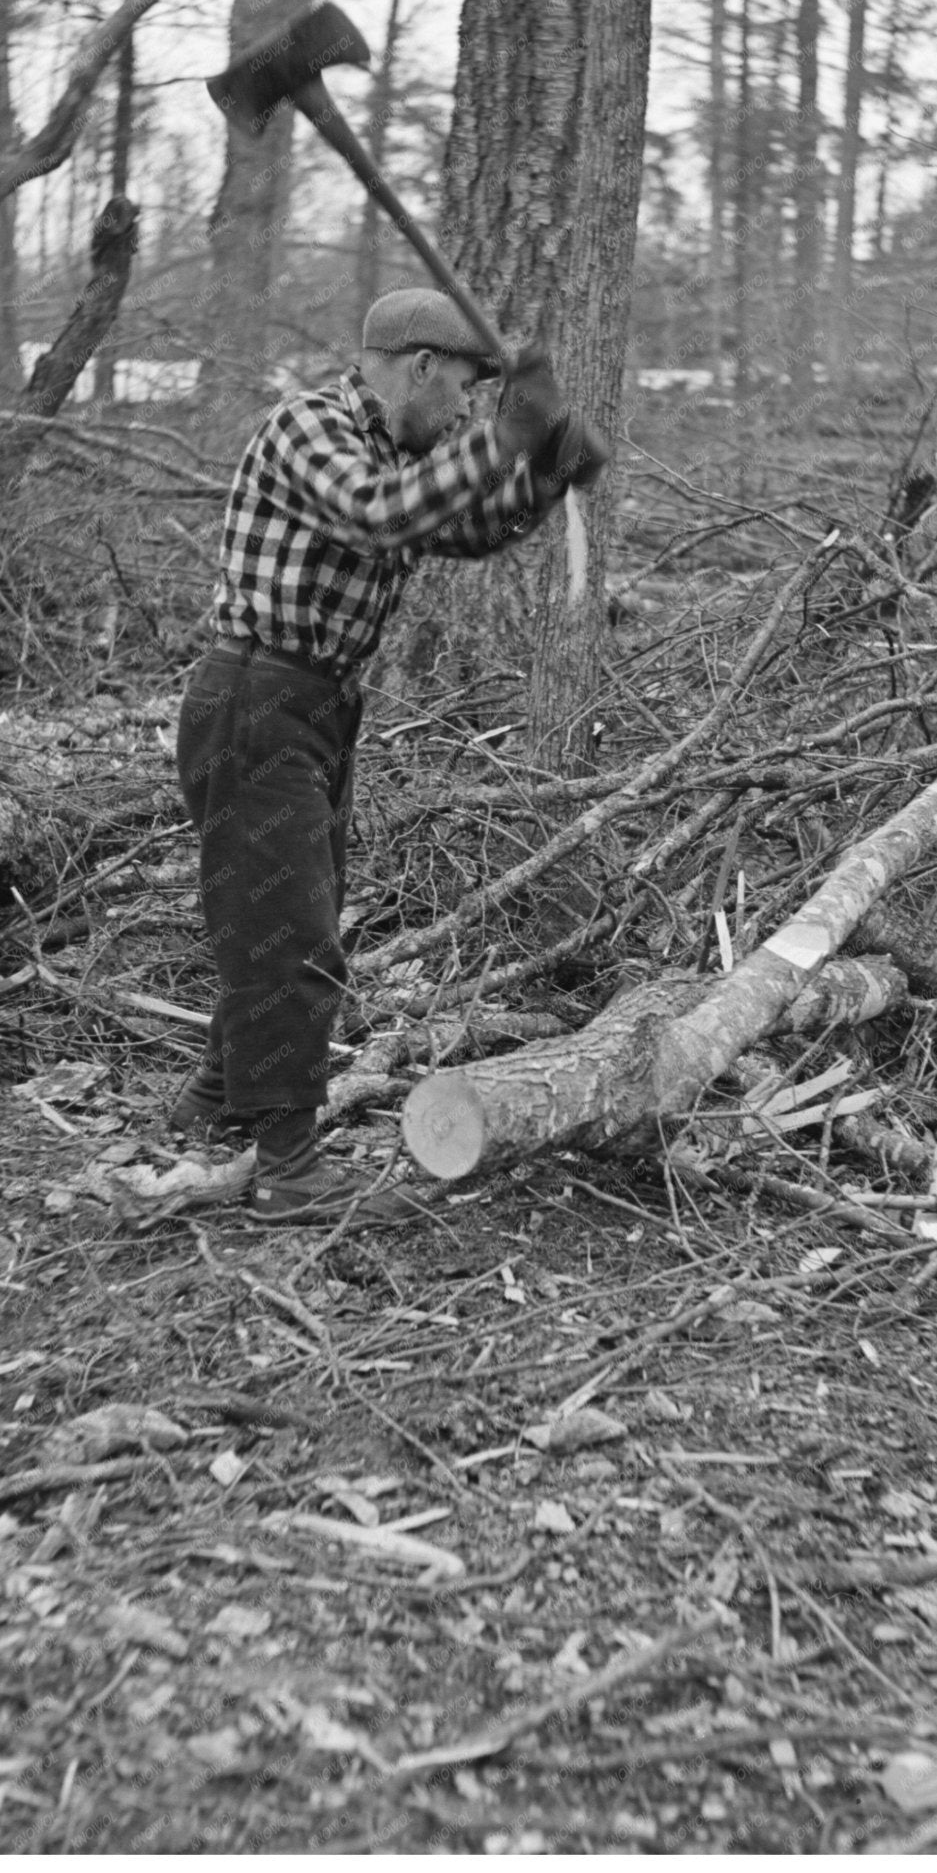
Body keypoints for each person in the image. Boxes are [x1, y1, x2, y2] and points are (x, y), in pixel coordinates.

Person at [172, 289, 597, 1219]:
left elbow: (461, 527)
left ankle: (207, 1108)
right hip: (255, 701)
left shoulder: (399, 454)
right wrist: (505, 438)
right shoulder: (310, 430)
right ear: (419, 367)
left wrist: (540, 479)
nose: (462, 415)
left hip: (316, 709)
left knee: (282, 913)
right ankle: (288, 1171)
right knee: (294, 937)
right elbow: (378, 515)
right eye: (461, 395)